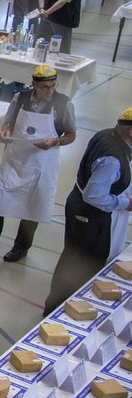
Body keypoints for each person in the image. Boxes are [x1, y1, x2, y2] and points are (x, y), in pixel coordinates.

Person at [0, 66, 74, 264]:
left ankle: (21, 247)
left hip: (42, 163)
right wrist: (4, 133)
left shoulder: (64, 104)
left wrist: (55, 141)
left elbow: (71, 135)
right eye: (44, 87)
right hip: (15, 159)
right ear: (33, 84)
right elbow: (7, 123)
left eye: (53, 86)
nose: (50, 91)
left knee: (33, 206)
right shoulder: (20, 98)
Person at [44, 110, 132, 314]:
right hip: (90, 216)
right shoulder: (113, 159)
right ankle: (62, 311)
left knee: (72, 258)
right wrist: (124, 203)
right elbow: (94, 195)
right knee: (83, 265)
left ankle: (55, 307)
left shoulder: (106, 134)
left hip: (79, 205)